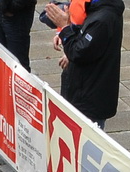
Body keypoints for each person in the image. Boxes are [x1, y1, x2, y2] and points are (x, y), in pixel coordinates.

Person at [45, 0, 123, 128]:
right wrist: (67, 31)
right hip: (82, 89)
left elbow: (79, 52)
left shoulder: (102, 20)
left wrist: (65, 29)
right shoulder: (96, 9)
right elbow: (85, 41)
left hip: (89, 97)